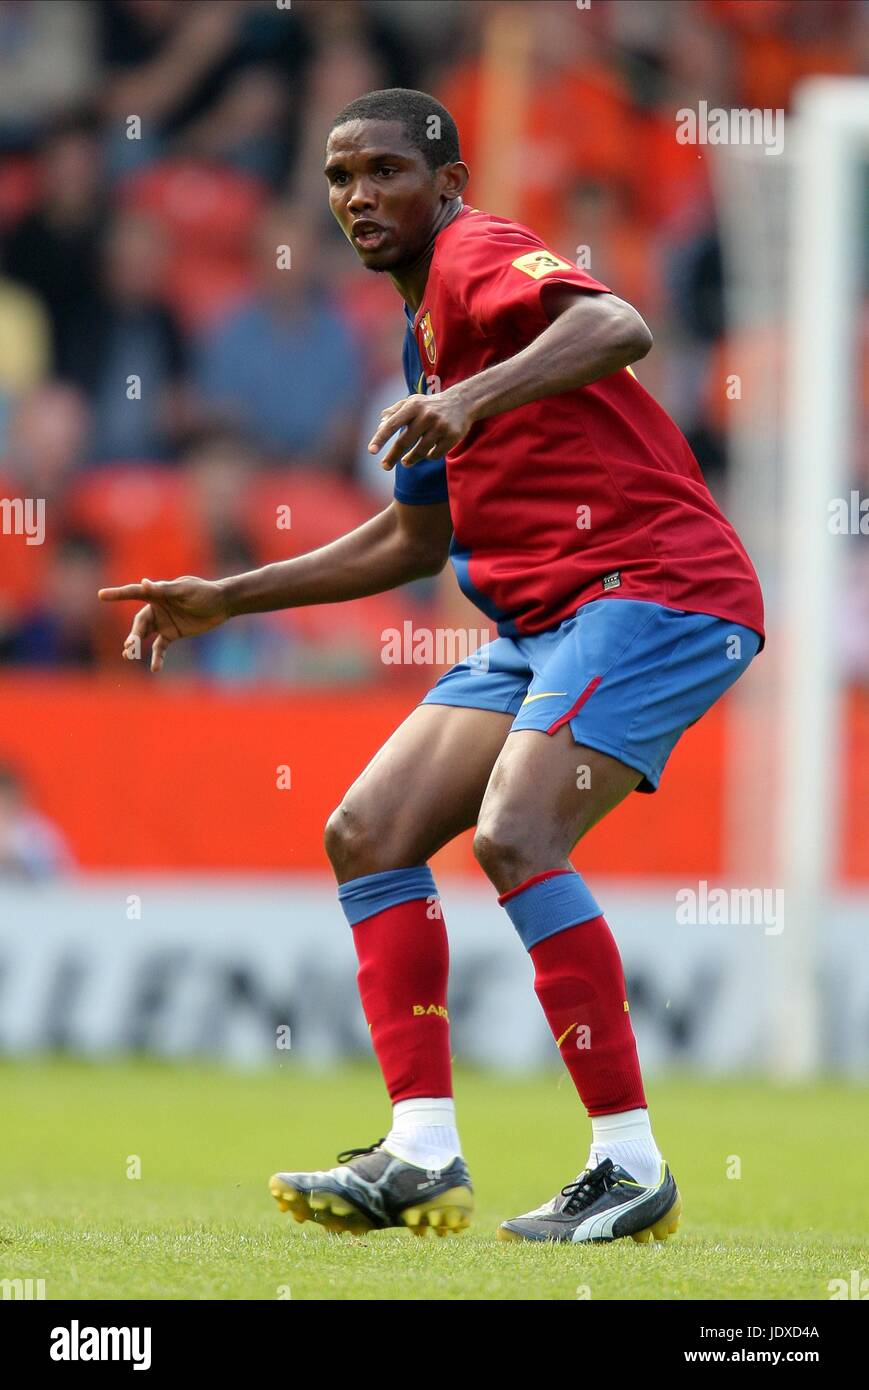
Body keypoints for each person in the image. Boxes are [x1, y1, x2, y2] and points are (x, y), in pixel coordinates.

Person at [99, 88, 765, 1245]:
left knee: (516, 834)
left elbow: (617, 325)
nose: (359, 196)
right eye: (340, 177)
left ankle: (626, 1162)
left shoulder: (476, 255)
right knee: (367, 830)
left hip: (654, 585)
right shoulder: (420, 332)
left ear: (446, 186)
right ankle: (418, 1151)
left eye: (385, 172)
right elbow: (411, 539)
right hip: (541, 616)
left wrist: (468, 397)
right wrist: (227, 595)